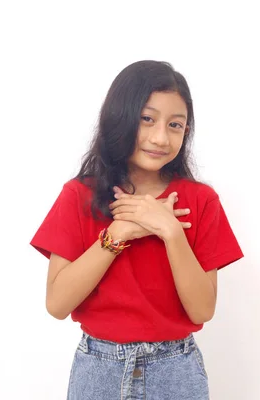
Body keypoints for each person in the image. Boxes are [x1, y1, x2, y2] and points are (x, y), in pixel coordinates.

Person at [30, 60, 244, 400]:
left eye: (176, 125)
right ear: (121, 117)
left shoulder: (201, 200)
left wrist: (170, 230)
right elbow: (57, 304)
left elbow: (202, 310)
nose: (161, 137)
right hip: (99, 370)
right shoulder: (78, 195)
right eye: (147, 119)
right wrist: (119, 233)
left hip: (176, 370)